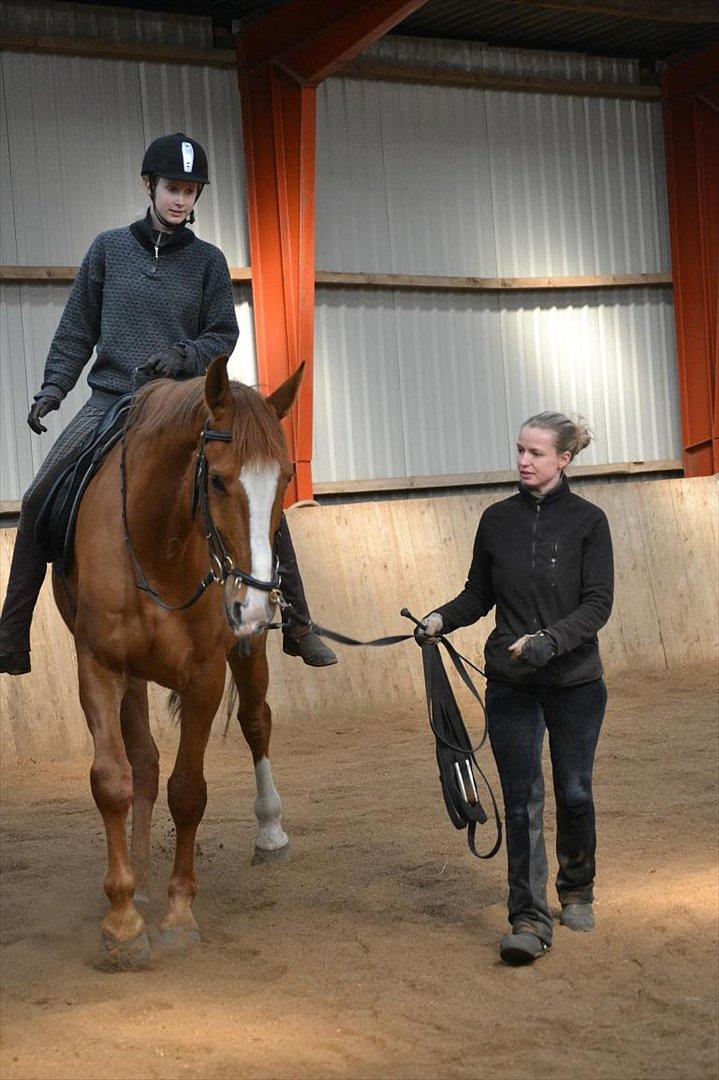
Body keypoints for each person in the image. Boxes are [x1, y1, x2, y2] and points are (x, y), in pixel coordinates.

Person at [0, 131, 336, 675]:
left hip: (182, 404)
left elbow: (222, 334)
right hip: (113, 398)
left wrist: (183, 358)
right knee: (39, 493)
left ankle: (297, 622)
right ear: (149, 186)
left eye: (190, 190)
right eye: (173, 188)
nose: (181, 199)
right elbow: (76, 330)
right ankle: (11, 635)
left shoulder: (208, 261)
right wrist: (52, 390)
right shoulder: (108, 249)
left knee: (253, 489)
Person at [415, 412, 613, 966]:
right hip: (512, 685)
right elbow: (478, 593)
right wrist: (440, 619)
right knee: (523, 797)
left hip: (575, 684)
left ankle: (577, 889)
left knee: (575, 791)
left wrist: (551, 640)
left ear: (564, 460)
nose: (523, 460)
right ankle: (527, 917)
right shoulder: (496, 520)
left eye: (536, 453)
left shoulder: (589, 523)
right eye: (520, 450)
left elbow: (597, 604)